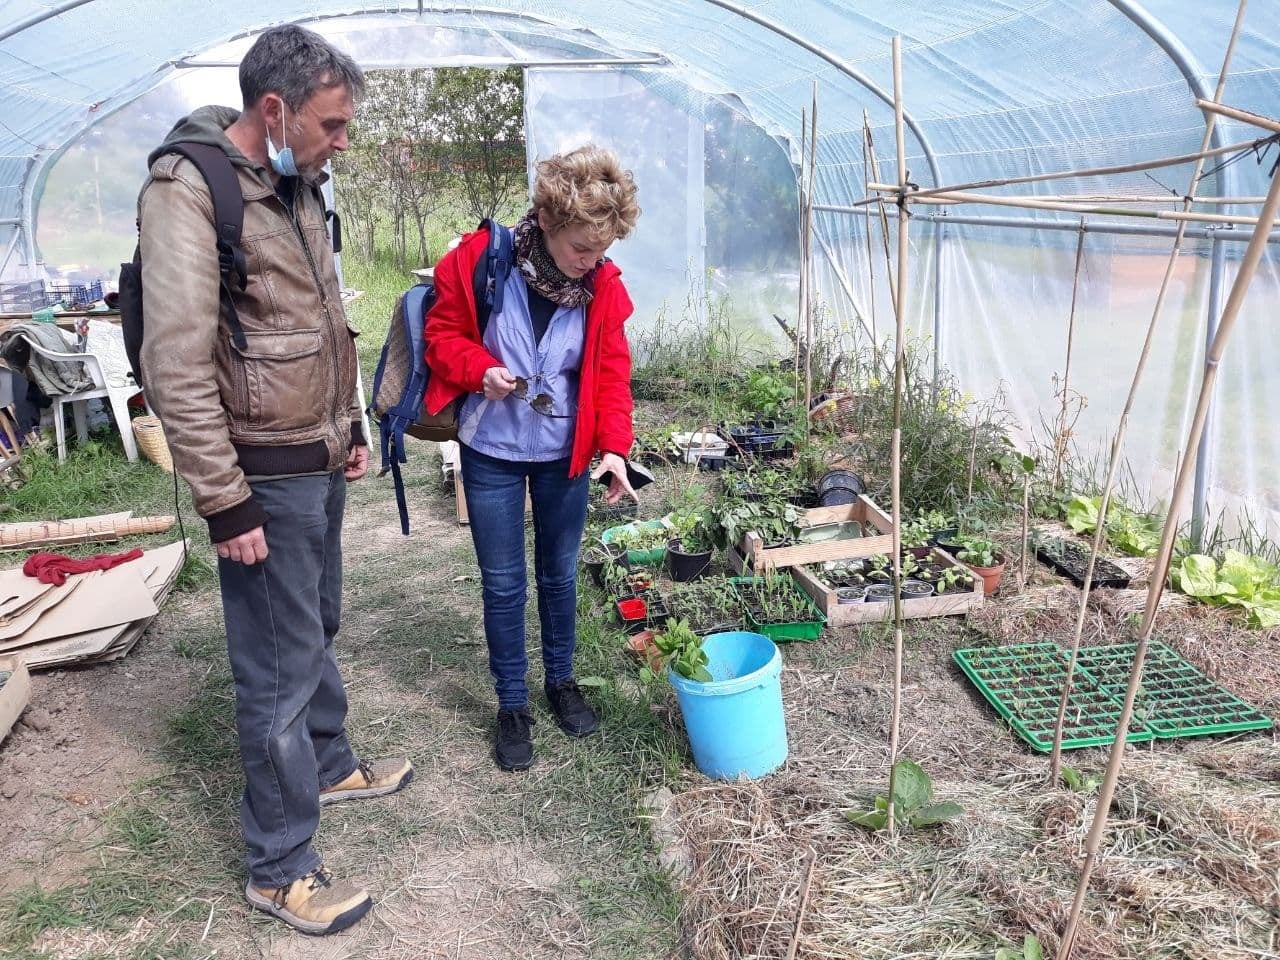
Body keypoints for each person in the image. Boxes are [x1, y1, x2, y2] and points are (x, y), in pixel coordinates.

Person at [137, 25, 412, 936]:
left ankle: (329, 763)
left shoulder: (295, 186)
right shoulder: (191, 191)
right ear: (274, 110)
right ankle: (279, 866)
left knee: (316, 623)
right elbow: (175, 363)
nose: (343, 141)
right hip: (261, 475)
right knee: (276, 668)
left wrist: (353, 427)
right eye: (332, 124)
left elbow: (326, 322)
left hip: (318, 454)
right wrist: (225, 498)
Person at [424, 145, 641, 771]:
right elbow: (442, 338)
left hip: (562, 454)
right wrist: (479, 370)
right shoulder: (477, 263)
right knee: (502, 582)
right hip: (489, 447)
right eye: (581, 249)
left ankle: (561, 682)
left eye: (601, 252)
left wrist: (615, 450)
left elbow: (611, 373)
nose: (590, 265)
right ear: (546, 222)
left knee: (559, 573)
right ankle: (513, 703)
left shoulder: (603, 286)